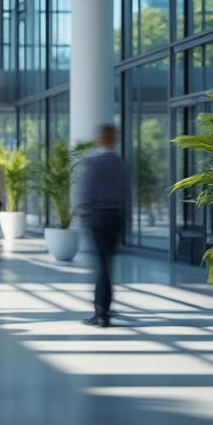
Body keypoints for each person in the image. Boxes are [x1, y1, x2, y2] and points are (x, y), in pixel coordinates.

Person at [77, 124, 129, 328]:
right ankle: (104, 309)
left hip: (98, 217)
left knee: (101, 265)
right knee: (108, 265)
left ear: (100, 139)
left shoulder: (93, 163)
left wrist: (84, 214)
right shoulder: (121, 164)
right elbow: (126, 193)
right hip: (116, 216)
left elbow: (86, 191)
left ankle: (101, 312)